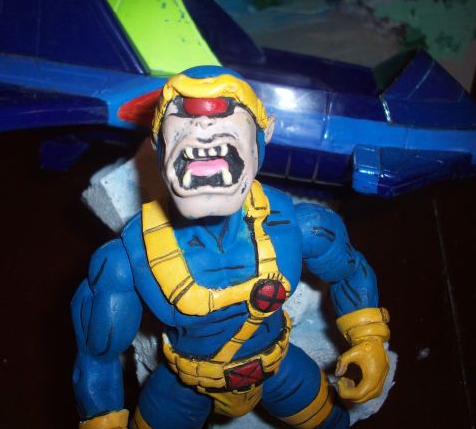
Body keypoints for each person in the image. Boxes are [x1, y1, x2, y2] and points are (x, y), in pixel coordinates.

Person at [71, 66, 390, 429]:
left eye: (224, 126)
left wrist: (369, 338)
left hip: (279, 369)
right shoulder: (126, 260)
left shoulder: (302, 226)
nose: (204, 131)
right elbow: (97, 356)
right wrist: (102, 417)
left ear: (262, 139)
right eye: (186, 127)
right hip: (186, 386)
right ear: (158, 147)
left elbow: (350, 272)